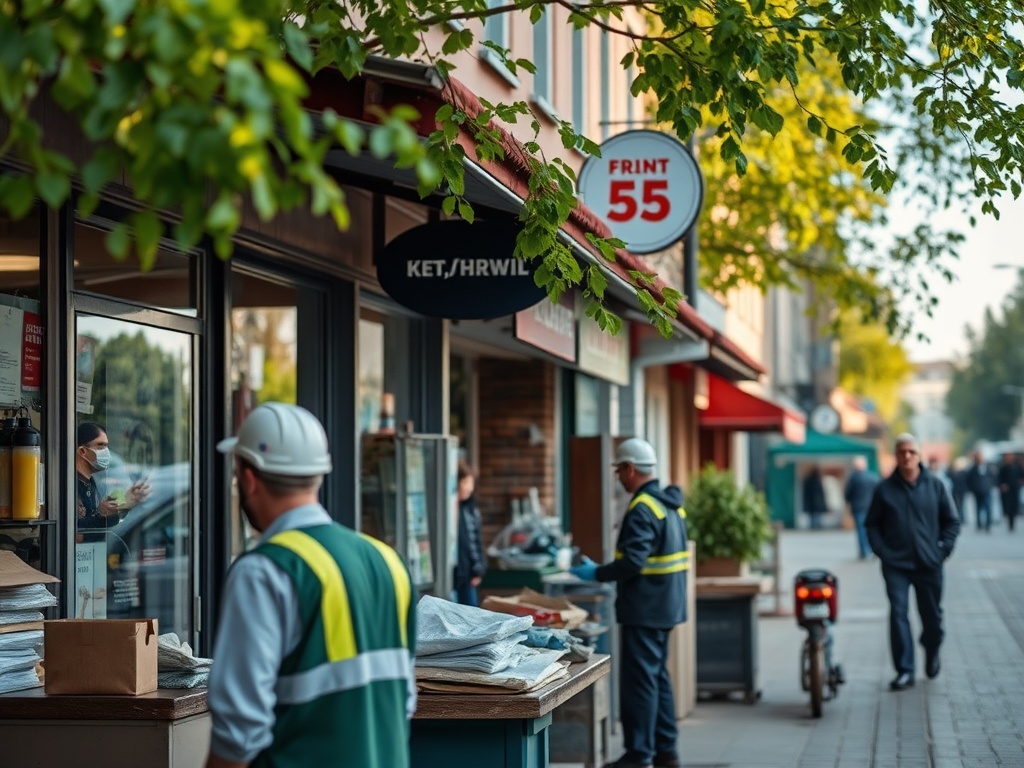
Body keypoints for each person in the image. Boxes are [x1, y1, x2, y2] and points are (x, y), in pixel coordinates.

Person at [207, 403, 417, 768]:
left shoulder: (264, 570)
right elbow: (403, 701)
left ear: (250, 478)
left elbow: (239, 731)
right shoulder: (388, 561)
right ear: (318, 476)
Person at [570, 437, 688, 768]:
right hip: (667, 606)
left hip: (646, 608)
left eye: (619, 471)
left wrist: (597, 572)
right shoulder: (670, 504)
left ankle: (639, 754)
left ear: (630, 469)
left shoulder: (642, 508)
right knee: (657, 678)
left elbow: (633, 561)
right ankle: (666, 750)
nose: (619, 478)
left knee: (641, 682)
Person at [864, 433, 960, 692]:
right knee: (898, 613)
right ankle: (904, 670)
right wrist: (882, 550)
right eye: (901, 452)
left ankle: (931, 649)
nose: (906, 456)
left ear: (919, 455)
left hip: (929, 563)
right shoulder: (884, 489)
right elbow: (871, 523)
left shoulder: (936, 486)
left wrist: (942, 551)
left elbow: (952, 522)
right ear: (895, 455)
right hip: (896, 564)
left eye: (911, 452)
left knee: (932, 618)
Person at [75, 421, 150, 535]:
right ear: (82, 451)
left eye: (107, 446)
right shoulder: (68, 484)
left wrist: (125, 502)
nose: (106, 452)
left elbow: (94, 518)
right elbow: (76, 533)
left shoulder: (92, 482)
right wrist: (103, 515)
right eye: (100, 445)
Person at [453, 460, 486, 606]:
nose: (469, 488)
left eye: (470, 483)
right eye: (466, 482)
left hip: (466, 575)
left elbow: (475, 542)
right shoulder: (447, 510)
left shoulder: (470, 511)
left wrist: (478, 568)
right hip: (451, 575)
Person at [843, 456, 879, 560]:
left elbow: (847, 493)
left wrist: (848, 502)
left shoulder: (854, 478)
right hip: (871, 507)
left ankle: (864, 552)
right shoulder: (873, 477)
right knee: (871, 529)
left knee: (861, 530)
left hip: (858, 507)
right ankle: (872, 550)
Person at [965, 450, 995, 532]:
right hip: (977, 491)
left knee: (988, 508)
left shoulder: (988, 467)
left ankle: (988, 525)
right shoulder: (972, 469)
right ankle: (979, 525)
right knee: (978, 509)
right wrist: (971, 489)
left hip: (986, 490)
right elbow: (969, 480)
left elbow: (992, 477)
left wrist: (991, 486)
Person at [997, 451, 1022, 532]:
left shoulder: (1017, 466)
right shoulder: (1003, 467)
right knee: (1008, 507)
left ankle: (1013, 523)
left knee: (1014, 507)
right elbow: (999, 478)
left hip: (1015, 489)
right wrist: (1002, 485)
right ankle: (1010, 523)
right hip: (1007, 491)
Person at [802, 464, 828, 530]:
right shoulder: (818, 481)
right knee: (817, 515)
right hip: (817, 501)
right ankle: (816, 526)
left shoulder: (808, 480)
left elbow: (806, 492)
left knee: (812, 515)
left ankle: (813, 526)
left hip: (811, 501)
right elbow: (821, 492)